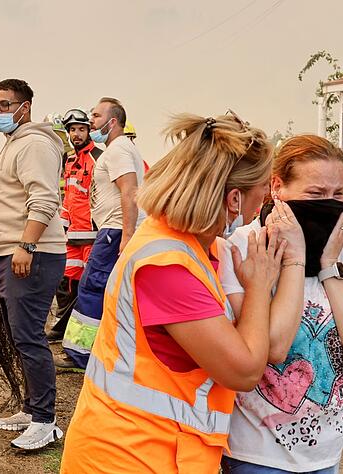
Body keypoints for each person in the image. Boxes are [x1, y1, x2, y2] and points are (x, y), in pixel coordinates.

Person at [61, 113, 281, 472]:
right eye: (263, 188)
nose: (268, 197)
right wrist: (258, 286)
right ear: (234, 199)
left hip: (163, 451)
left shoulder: (197, 245)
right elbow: (242, 372)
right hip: (129, 455)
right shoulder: (167, 265)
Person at [222, 135, 343, 474]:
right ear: (277, 187)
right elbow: (274, 347)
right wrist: (295, 259)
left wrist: (327, 267)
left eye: (338, 194)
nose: (329, 204)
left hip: (325, 453)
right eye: (315, 194)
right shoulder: (242, 248)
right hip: (257, 454)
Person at [0, 79, 66, 450]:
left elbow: (44, 197)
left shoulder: (36, 143)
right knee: (20, 337)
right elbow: (10, 188)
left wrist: (27, 244)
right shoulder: (16, 144)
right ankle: (31, 407)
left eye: (6, 105)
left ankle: (45, 421)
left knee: (29, 337)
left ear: (25, 107)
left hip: (30, 255)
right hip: (12, 252)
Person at [60, 97, 144, 370]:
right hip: (113, 229)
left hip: (115, 230)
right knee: (107, 290)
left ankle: (79, 354)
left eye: (95, 116)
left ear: (113, 122)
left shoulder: (118, 150)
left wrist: (127, 235)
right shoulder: (117, 149)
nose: (91, 120)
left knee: (92, 286)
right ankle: (100, 350)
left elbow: (129, 191)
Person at [47, 108, 102, 345]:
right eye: (72, 130)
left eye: (81, 129)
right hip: (71, 236)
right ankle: (64, 329)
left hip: (93, 236)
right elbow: (68, 197)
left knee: (88, 288)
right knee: (66, 283)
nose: (76, 134)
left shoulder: (99, 158)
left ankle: (83, 342)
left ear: (89, 130)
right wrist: (62, 228)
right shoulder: (69, 160)